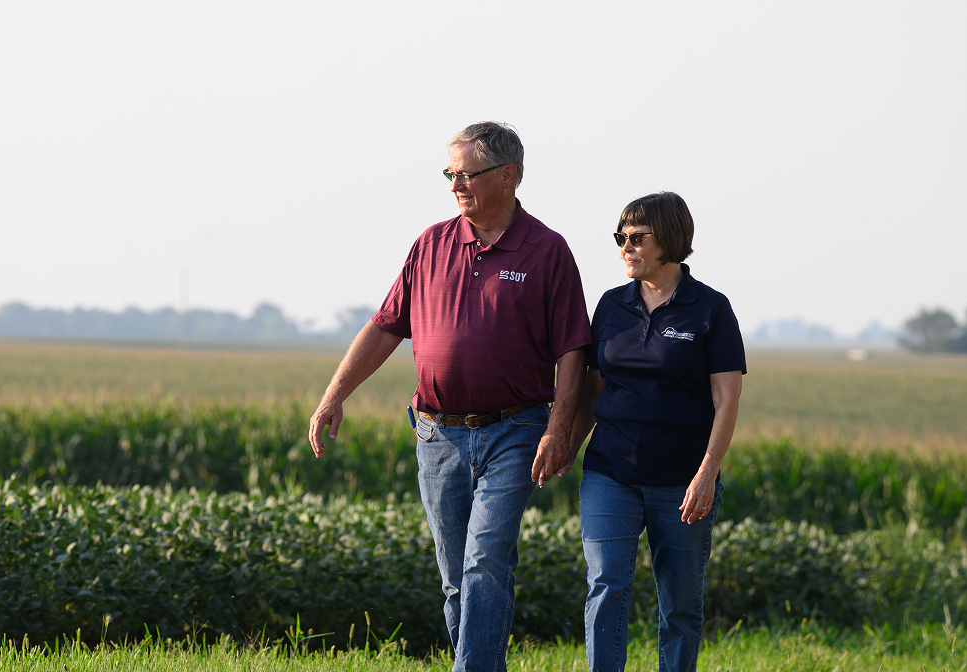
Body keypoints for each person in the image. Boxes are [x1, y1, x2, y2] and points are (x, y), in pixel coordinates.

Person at [307, 121, 592, 671]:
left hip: (515, 431)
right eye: (450, 174)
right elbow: (387, 326)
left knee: (485, 559)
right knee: (455, 576)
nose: (456, 185)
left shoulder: (547, 250)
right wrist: (333, 395)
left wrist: (559, 429)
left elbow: (573, 351)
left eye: (467, 174)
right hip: (436, 434)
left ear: (507, 176)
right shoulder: (431, 243)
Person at [570, 192, 745, 672]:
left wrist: (707, 475)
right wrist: (565, 443)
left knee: (681, 604)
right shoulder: (610, 306)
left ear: (668, 238)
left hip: (682, 481)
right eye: (620, 237)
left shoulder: (710, 309)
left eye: (637, 237)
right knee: (606, 584)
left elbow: (727, 400)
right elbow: (592, 390)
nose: (626, 246)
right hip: (609, 472)